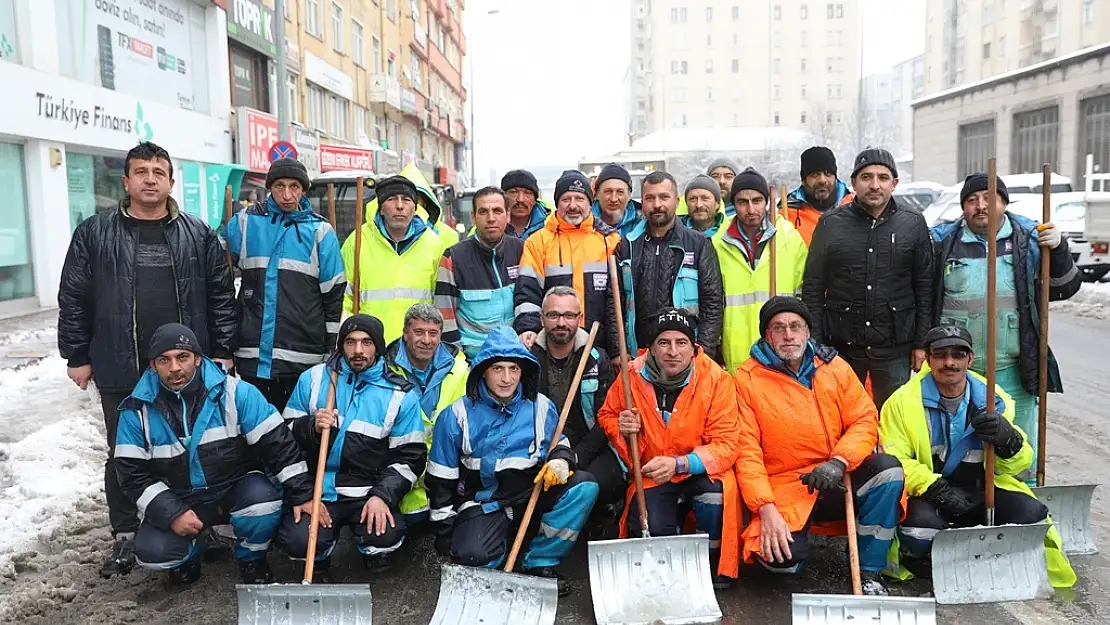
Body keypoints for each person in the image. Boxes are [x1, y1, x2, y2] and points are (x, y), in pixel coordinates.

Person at [57, 141, 237, 578]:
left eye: (159, 171)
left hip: (185, 367)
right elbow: (74, 297)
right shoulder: (95, 233)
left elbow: (220, 297)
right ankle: (125, 533)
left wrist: (223, 352)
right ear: (127, 181)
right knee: (124, 451)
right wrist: (76, 355)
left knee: (188, 445)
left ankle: (197, 524)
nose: (151, 179)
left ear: (172, 181)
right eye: (141, 171)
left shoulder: (198, 234)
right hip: (121, 363)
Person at [113, 323, 313, 585]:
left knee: (263, 502)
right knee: (154, 554)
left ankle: (251, 558)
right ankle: (191, 549)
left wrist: (302, 495)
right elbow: (131, 475)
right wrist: (171, 514)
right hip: (180, 496)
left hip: (235, 487)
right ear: (153, 365)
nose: (174, 368)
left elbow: (278, 444)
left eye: (182, 357)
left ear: (197, 359)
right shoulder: (136, 410)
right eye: (164, 360)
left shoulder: (236, 393)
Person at [879, 325, 1076, 588]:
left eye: (958, 354)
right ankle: (928, 566)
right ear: (927, 358)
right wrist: (937, 490)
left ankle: (995, 560)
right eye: (940, 354)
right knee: (918, 528)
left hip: (982, 490)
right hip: (927, 494)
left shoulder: (994, 400)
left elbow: (1017, 465)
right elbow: (895, 458)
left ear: (970, 359)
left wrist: (1009, 442)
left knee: (1032, 517)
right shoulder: (902, 402)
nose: (949, 362)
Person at [734, 297, 906, 595]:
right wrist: (765, 508)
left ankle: (870, 570)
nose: (789, 335)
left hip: (839, 474)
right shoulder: (746, 379)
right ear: (766, 335)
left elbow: (865, 419)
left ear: (807, 332)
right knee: (780, 562)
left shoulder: (834, 367)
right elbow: (746, 451)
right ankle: (797, 543)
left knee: (887, 471)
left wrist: (839, 462)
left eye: (795, 327)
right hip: (786, 485)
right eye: (779, 328)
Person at [930, 174, 1081, 485]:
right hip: (960, 373)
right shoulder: (943, 242)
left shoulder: (1029, 239)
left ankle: (1021, 509)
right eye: (971, 200)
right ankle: (967, 509)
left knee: (1017, 448)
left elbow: (1064, 289)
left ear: (1004, 202)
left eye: (989, 198)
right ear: (963, 208)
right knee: (962, 448)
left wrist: (1060, 249)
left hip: (1014, 369)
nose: (980, 206)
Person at [426, 326, 599, 596]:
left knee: (584, 486)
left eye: (513, 369)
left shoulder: (541, 406)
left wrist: (561, 461)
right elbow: (440, 479)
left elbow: (559, 443)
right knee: (473, 558)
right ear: (483, 370)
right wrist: (445, 535)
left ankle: (540, 561)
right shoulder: (456, 416)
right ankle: (500, 543)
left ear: (523, 370)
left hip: (533, 495)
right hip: (485, 504)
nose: (507, 379)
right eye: (498, 369)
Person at [597, 309, 743, 588]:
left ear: (693, 347)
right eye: (664, 343)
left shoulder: (717, 380)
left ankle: (709, 564)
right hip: (652, 471)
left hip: (700, 469)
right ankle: (672, 571)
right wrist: (622, 427)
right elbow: (607, 415)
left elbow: (727, 444)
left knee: (715, 499)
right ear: (651, 347)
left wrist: (681, 464)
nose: (672, 351)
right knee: (649, 530)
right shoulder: (630, 377)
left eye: (681, 342)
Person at [278, 315, 426, 578]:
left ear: (378, 347)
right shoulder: (312, 380)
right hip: (318, 489)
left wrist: (383, 496)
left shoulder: (400, 394)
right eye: (351, 342)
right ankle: (319, 558)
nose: (358, 351)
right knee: (298, 539)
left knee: (384, 533)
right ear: (341, 346)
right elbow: (282, 439)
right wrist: (310, 428)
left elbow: (410, 457)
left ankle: (372, 552)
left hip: (367, 491)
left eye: (367, 342)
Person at [801, 147, 934, 411]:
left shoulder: (913, 224)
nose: (874, 185)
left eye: (883, 178)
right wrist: (815, 342)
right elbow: (814, 287)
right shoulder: (831, 224)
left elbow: (925, 286)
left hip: (895, 346)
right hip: (842, 345)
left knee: (894, 418)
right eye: (866, 177)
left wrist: (921, 343)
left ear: (894, 183)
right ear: (853, 183)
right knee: (844, 415)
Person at [227, 158, 346, 412]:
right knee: (257, 433)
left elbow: (333, 295)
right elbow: (224, 278)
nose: (287, 194)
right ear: (270, 187)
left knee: (298, 433)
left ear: (304, 190)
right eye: (279, 186)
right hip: (253, 353)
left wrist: (330, 348)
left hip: (303, 355)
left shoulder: (320, 232)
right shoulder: (245, 223)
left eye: (294, 186)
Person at [529, 286, 624, 525]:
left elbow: (606, 419)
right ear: (542, 318)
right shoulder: (526, 358)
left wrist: (574, 457)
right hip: (540, 446)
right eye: (553, 315)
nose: (562, 322)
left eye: (569, 316)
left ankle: (594, 522)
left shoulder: (596, 359)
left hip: (589, 447)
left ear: (580, 319)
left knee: (594, 482)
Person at [611, 171, 724, 362]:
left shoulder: (698, 245)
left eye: (664, 197)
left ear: (677, 201)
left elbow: (712, 304)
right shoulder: (627, 246)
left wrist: (703, 354)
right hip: (638, 355)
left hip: (685, 357)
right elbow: (614, 303)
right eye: (650, 198)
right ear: (642, 202)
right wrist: (617, 350)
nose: (657, 205)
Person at [713, 168, 808, 373]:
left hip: (781, 344)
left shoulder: (788, 238)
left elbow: (804, 292)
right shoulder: (718, 243)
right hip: (737, 347)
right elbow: (713, 301)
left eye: (757, 201)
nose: (750, 209)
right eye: (742, 202)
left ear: (766, 202)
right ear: (733, 204)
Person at [514, 170, 619, 352]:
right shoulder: (537, 242)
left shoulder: (610, 240)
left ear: (590, 203)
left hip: (601, 343)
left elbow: (619, 300)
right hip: (553, 343)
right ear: (557, 204)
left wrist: (617, 348)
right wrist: (528, 328)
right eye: (566, 199)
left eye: (579, 198)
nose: (573, 205)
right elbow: (528, 292)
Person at [383, 304, 469, 525]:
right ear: (405, 333)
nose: (427, 340)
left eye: (433, 333)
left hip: (448, 467)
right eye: (419, 332)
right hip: (402, 468)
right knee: (408, 523)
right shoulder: (384, 371)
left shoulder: (460, 368)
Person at [342, 174, 442, 343]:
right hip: (370, 345)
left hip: (417, 347)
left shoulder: (434, 244)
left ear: (415, 208)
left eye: (406, 200)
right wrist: (347, 338)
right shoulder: (358, 241)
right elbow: (344, 298)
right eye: (391, 199)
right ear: (380, 208)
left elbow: (440, 301)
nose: (400, 206)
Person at [436, 186, 524, 361]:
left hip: (518, 357)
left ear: (508, 215)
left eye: (497, 211)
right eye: (483, 212)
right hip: (473, 361)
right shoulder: (453, 257)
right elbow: (445, 319)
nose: (491, 218)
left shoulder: (523, 251)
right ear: (473, 217)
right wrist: (459, 361)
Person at [785, 146, 854, 245]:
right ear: (804, 180)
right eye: (814, 175)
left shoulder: (855, 207)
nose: (822, 180)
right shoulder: (788, 214)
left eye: (828, 174)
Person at [590, 163, 645, 238]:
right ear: (597, 195)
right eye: (608, 191)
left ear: (629, 195)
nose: (614, 199)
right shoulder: (584, 222)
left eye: (620, 192)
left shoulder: (642, 224)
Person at [501, 169, 550, 239]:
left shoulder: (550, 226)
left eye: (527, 193)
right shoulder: (490, 223)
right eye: (514, 192)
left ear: (535, 200)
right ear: (503, 197)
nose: (520, 199)